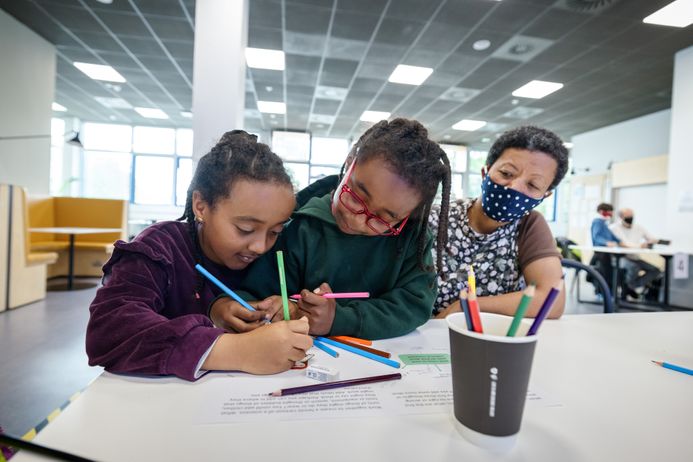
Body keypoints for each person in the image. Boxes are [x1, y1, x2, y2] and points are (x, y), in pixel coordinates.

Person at [86, 131, 313, 381]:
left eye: (275, 231)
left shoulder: (279, 254)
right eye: (245, 229)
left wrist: (290, 308)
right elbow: (108, 331)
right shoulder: (160, 249)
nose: (260, 246)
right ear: (201, 206)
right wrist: (235, 351)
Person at [212, 118, 452, 339]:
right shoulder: (298, 226)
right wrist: (239, 307)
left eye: (382, 219)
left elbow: (415, 305)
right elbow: (250, 294)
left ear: (407, 216)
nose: (358, 221)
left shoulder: (412, 237)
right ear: (349, 164)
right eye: (356, 198)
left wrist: (340, 319)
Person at [430, 125, 568, 319]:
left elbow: (551, 301)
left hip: (489, 338)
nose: (515, 187)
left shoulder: (528, 225)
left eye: (533, 185)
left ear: (545, 195)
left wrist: (465, 307)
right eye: (506, 173)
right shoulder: (436, 218)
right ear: (485, 172)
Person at [609, 208, 662, 298]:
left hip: (635, 257)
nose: (630, 219)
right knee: (634, 267)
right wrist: (640, 246)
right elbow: (623, 243)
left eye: (632, 216)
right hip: (620, 257)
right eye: (628, 217)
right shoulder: (614, 228)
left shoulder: (638, 227)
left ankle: (631, 286)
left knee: (655, 270)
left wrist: (654, 241)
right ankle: (628, 288)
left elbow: (651, 238)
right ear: (621, 217)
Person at [589, 202, 621, 294]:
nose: (610, 214)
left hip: (606, 253)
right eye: (608, 211)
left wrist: (620, 242)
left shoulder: (604, 224)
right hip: (601, 253)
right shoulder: (597, 222)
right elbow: (597, 236)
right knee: (605, 273)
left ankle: (609, 292)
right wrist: (607, 243)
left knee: (609, 272)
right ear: (601, 211)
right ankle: (603, 292)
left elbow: (613, 237)